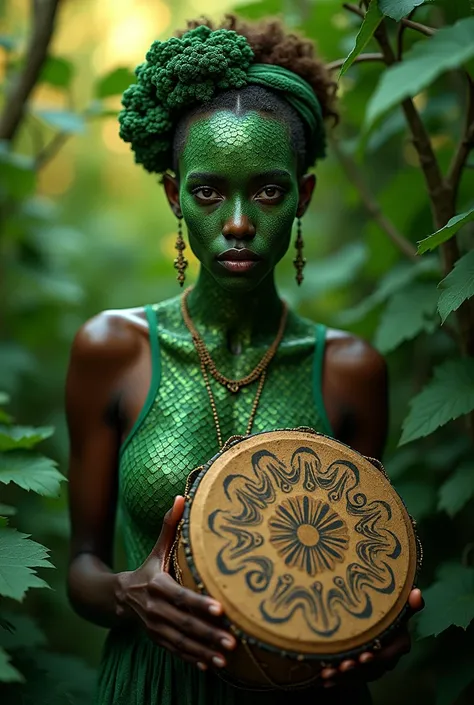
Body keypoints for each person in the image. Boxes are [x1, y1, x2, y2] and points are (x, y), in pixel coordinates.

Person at [65, 15, 423, 705]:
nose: (236, 220)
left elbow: (366, 561)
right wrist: (125, 592)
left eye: (266, 189)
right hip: (153, 686)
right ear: (174, 196)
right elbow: (81, 566)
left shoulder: (349, 372)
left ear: (303, 197)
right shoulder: (113, 352)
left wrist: (377, 630)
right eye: (207, 192)